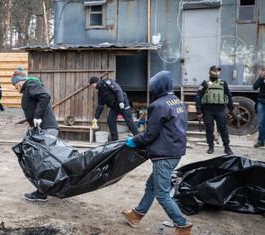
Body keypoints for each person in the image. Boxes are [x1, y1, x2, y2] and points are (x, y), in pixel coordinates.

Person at [122, 71, 192, 234]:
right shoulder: (177, 102)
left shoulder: (158, 105)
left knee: (161, 194)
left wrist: (135, 140)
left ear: (158, 87)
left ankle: (183, 226)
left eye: (152, 86)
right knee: (151, 186)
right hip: (175, 152)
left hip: (164, 155)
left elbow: (150, 134)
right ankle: (136, 215)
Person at [11, 66, 59, 202]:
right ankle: (47, 189)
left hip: (46, 128)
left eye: (15, 85)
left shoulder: (31, 84)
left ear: (19, 81)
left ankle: (42, 192)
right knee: (43, 160)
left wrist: (37, 115)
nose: (15, 88)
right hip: (42, 129)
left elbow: (45, 96)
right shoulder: (29, 89)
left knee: (41, 161)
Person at [195, 65, 234, 155]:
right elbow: (198, 97)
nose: (216, 73)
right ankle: (211, 147)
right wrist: (199, 110)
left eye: (218, 71)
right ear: (210, 72)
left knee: (223, 128)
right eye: (214, 71)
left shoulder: (223, 83)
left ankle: (227, 147)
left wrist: (231, 109)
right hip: (207, 109)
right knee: (209, 128)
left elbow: (229, 96)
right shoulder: (205, 83)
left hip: (220, 109)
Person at [89, 76, 139, 141]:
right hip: (114, 107)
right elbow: (100, 106)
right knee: (110, 120)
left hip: (122, 104)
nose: (92, 87)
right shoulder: (100, 93)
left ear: (94, 83)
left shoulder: (107, 82)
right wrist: (96, 118)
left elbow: (118, 90)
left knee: (129, 120)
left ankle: (138, 138)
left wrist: (121, 101)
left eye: (92, 85)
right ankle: (115, 139)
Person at [253, 67, 265, 148]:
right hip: (261, 102)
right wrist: (261, 78)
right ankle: (261, 141)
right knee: (261, 123)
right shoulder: (262, 78)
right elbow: (255, 87)